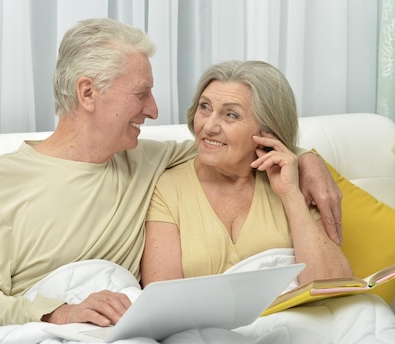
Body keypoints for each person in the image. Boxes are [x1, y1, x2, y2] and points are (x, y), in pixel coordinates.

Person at [0, 18, 343, 337]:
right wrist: (56, 314)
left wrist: (309, 161)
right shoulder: (3, 180)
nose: (153, 110)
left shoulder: (146, 159)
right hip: (49, 334)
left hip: (115, 332)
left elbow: (244, 146)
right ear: (87, 93)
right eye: (141, 93)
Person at [141, 60, 352, 287]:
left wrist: (291, 196)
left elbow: (333, 287)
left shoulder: (295, 181)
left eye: (231, 115)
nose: (208, 126)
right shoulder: (169, 187)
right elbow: (163, 300)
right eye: (204, 107)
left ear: (268, 131)